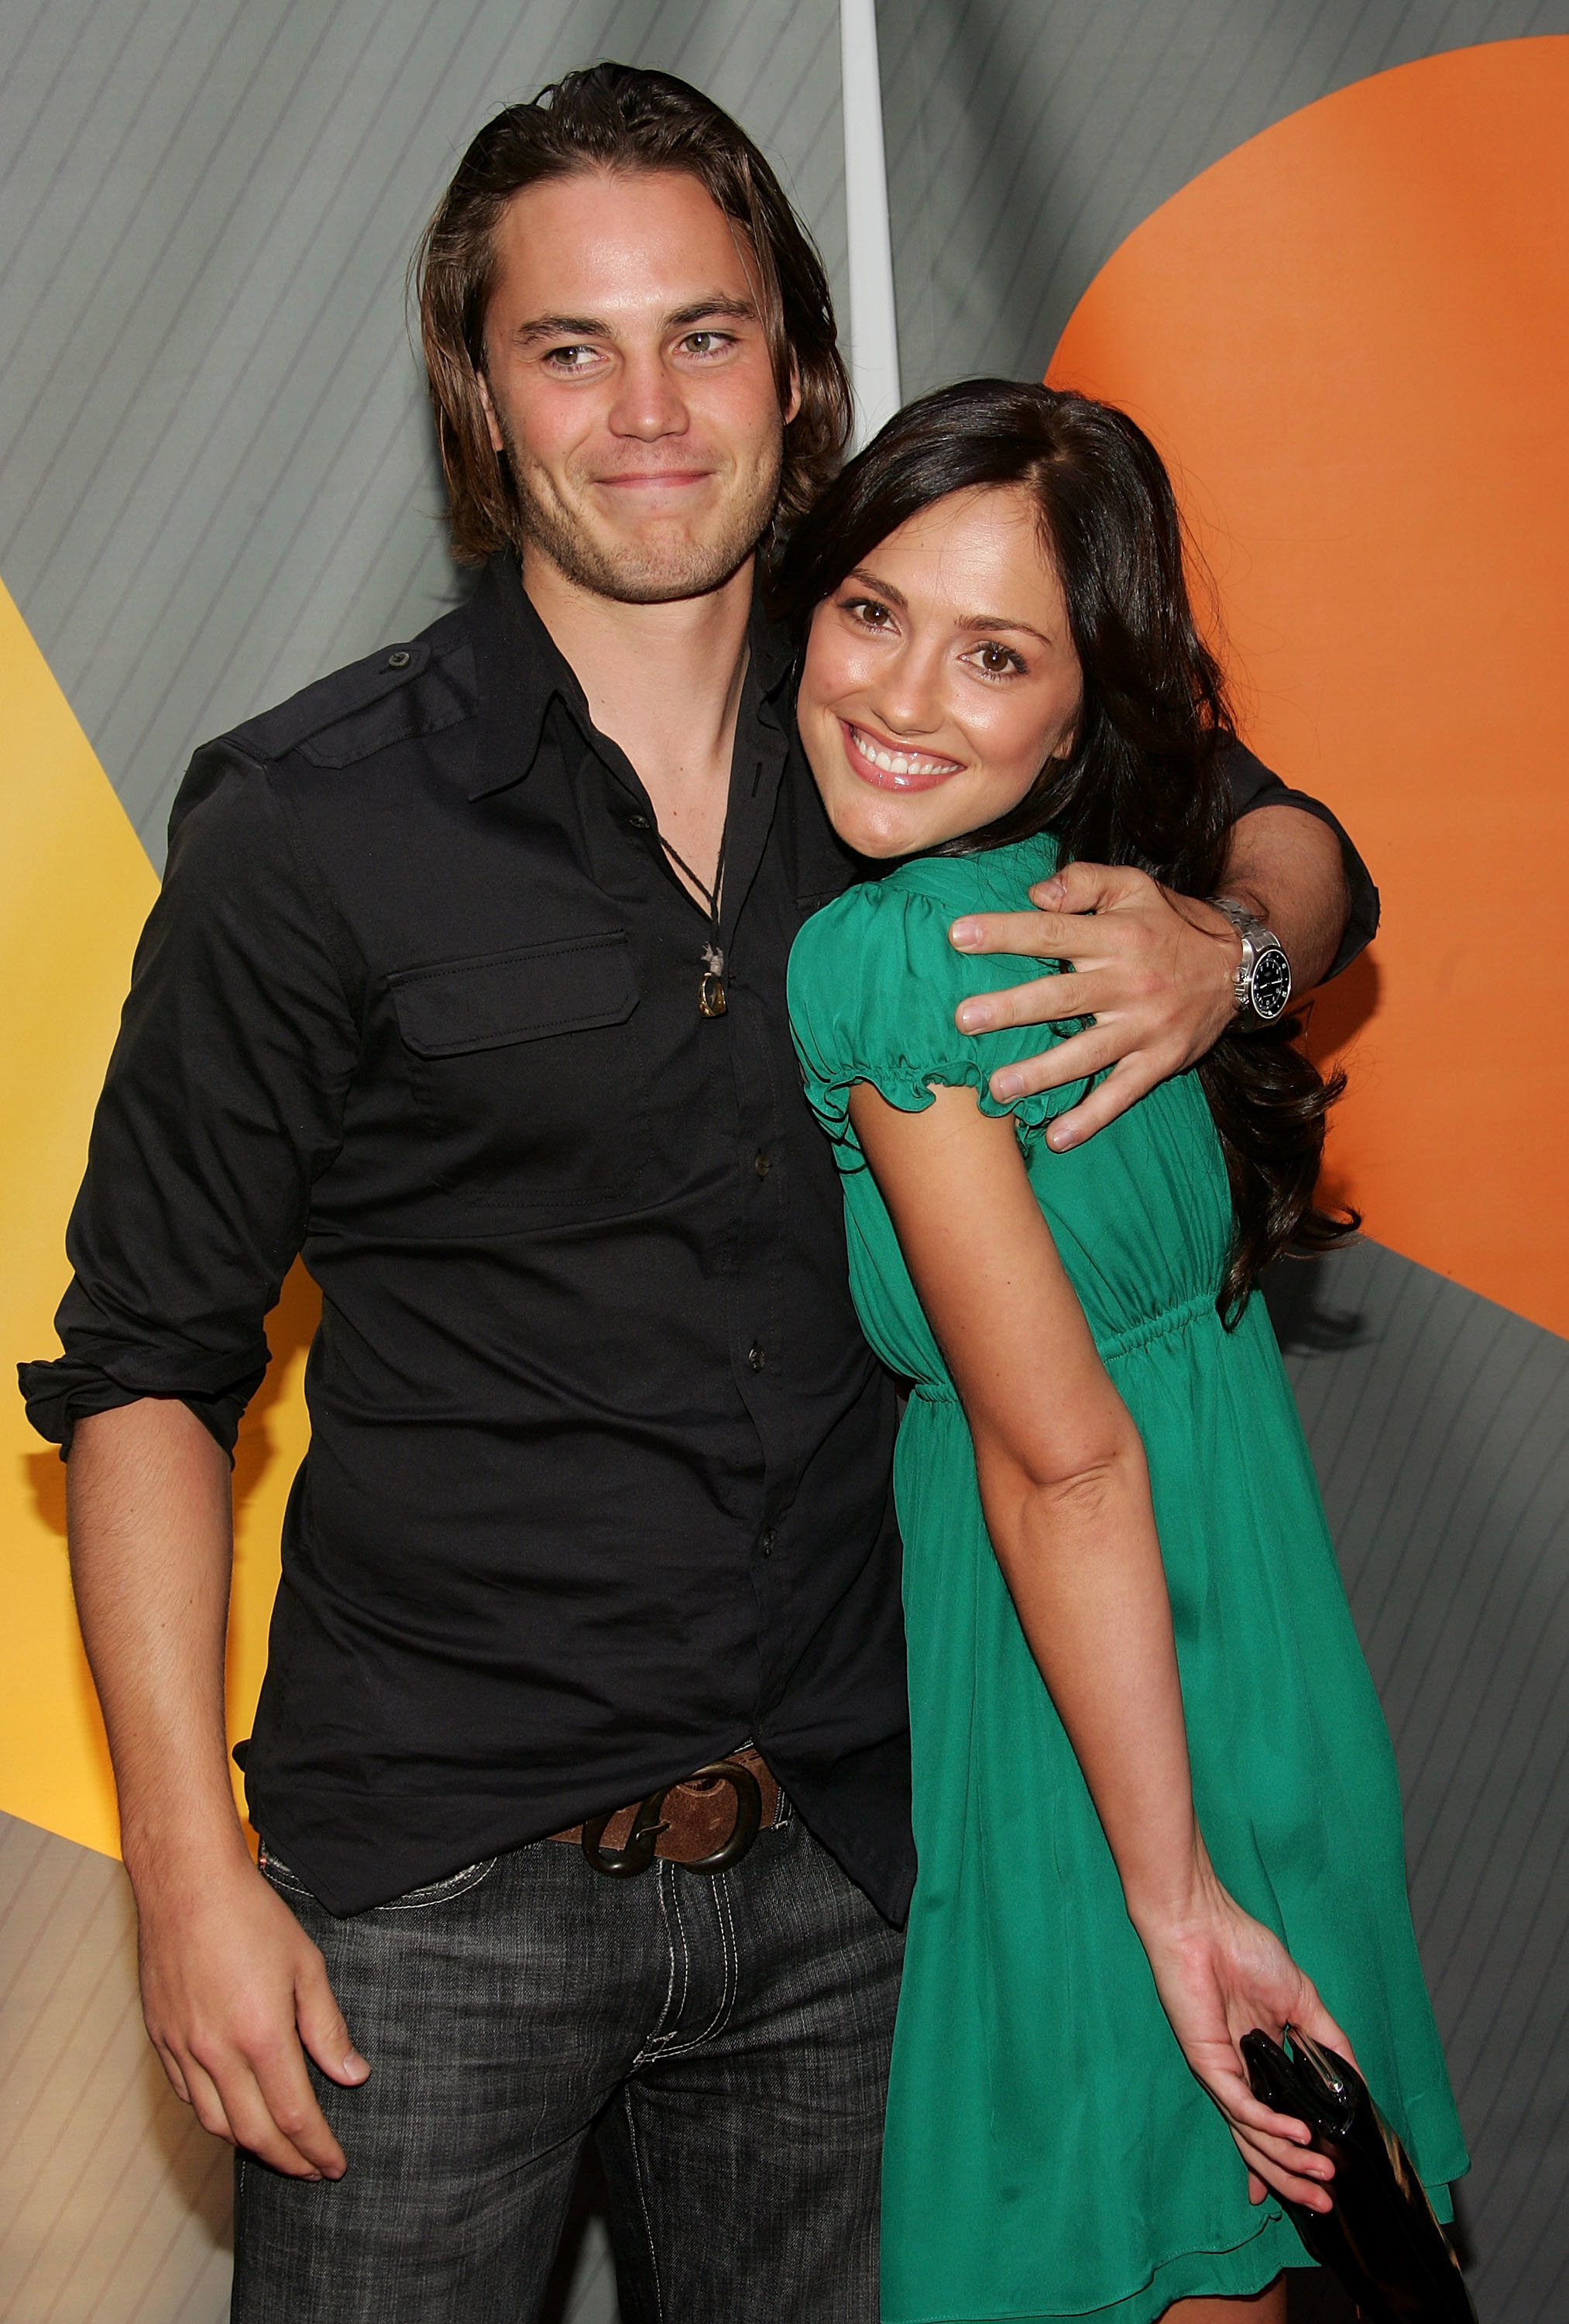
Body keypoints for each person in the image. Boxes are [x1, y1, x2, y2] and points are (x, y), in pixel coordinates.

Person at [20, 67, 1372, 2324]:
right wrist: (181, 1865)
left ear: (797, 367)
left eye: (705, 335)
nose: (647, 409)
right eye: (572, 347)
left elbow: (1300, 845)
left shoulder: (919, 705)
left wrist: (1223, 946)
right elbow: (145, 1365)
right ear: (482, 396)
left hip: (865, 1864)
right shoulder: (307, 821)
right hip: (431, 1894)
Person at [782, 380, 1468, 2324]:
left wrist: (1165, 1904)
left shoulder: (899, 955)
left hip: (1088, 1745)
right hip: (1250, 1674)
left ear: (1082, 715)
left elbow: (1062, 1459)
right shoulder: (1103, 921)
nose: (905, 696)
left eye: (992, 655)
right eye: (870, 614)